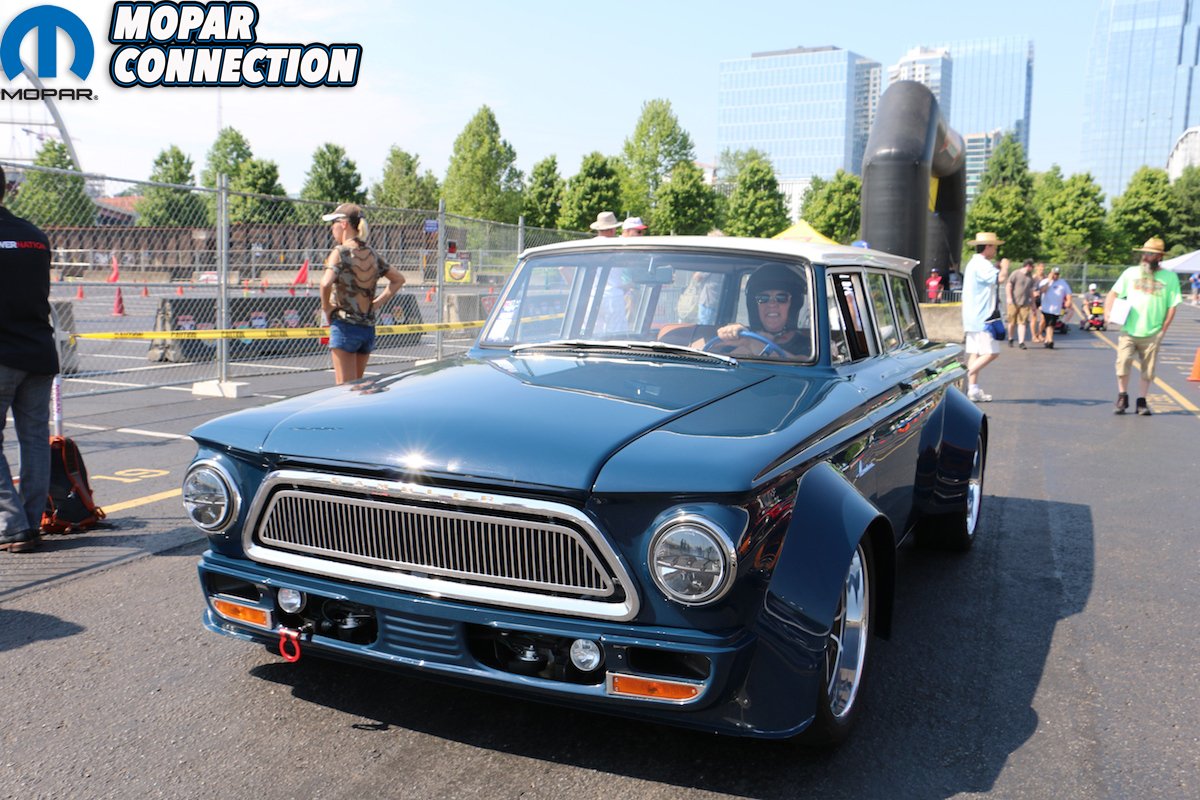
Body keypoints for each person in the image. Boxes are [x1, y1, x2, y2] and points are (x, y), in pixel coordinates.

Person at [0, 165, 58, 553]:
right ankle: (31, 522)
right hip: (38, 350)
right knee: (34, 440)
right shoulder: (35, 236)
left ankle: (13, 525)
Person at [319, 203, 407, 385]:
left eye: (334, 223)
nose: (332, 228)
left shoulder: (340, 252)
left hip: (345, 326)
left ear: (344, 224)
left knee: (344, 391)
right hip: (367, 327)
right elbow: (398, 279)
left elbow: (325, 283)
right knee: (357, 388)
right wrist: (375, 304)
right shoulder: (372, 253)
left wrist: (326, 308)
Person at [1105, 236, 1182, 415]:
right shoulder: (1130, 273)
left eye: (1150, 254)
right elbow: (1113, 293)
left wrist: (1163, 330)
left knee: (1148, 370)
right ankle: (1122, 396)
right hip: (1129, 330)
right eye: (1145, 253)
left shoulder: (1170, 277)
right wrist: (1107, 313)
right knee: (1122, 363)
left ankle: (1142, 401)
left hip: (1153, 331)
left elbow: (1172, 306)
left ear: (1159, 257)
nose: (1146, 256)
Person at [701, 263, 808, 358]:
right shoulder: (741, 338)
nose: (772, 304)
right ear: (754, 306)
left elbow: (801, 366)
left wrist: (752, 343)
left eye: (781, 298)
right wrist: (725, 337)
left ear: (793, 304)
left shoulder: (809, 346)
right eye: (763, 298)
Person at [960, 232, 1009, 402]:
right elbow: (1000, 278)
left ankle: (973, 389)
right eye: (994, 247)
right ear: (987, 247)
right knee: (992, 352)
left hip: (972, 317)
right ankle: (965, 374)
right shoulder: (982, 264)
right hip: (983, 318)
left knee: (975, 352)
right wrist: (1005, 266)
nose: (995, 250)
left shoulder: (973, 263)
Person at [1038, 267, 1073, 349]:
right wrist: (1049, 281)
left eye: (1057, 274)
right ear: (1050, 273)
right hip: (1046, 307)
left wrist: (1068, 301)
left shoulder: (1063, 283)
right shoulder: (1045, 281)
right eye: (1054, 274)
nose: (1055, 276)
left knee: (1052, 324)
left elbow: (1068, 293)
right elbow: (1042, 290)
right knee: (1049, 323)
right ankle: (1050, 340)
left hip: (1057, 308)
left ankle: (1047, 340)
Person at [1006, 259, 1035, 349]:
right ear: (1028, 266)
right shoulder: (1016, 273)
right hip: (1014, 302)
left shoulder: (1030, 277)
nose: (1032, 268)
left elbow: (1031, 290)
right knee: (1011, 322)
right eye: (1032, 266)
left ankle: (1021, 342)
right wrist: (1009, 297)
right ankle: (1010, 338)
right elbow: (1009, 285)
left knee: (1022, 322)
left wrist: (1033, 303)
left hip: (1025, 303)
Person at [1030, 262, 1047, 342]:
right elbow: (1028, 287)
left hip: (1043, 299)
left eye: (1043, 268)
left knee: (1044, 318)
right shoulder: (1033, 277)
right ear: (1036, 268)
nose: (1041, 270)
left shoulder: (1045, 278)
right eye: (1040, 268)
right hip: (1034, 299)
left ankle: (1039, 333)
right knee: (1034, 317)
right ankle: (1033, 336)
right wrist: (1033, 293)